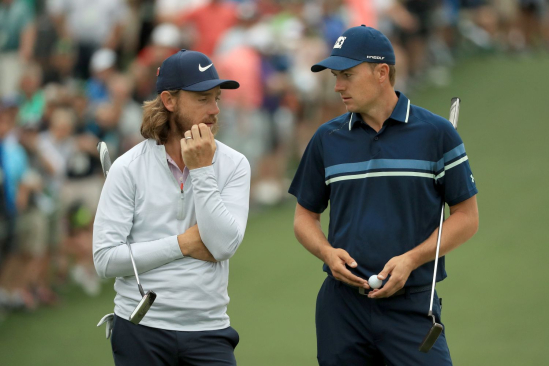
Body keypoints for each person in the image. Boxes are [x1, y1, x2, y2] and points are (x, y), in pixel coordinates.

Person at [289, 25, 479, 365]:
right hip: (342, 309)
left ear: (382, 73)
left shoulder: (437, 134)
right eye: (335, 76)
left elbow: (466, 217)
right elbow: (304, 217)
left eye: (347, 74)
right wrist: (327, 253)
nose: (338, 86)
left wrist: (411, 260)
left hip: (412, 306)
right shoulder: (326, 139)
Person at [93, 49, 251, 366]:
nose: (215, 109)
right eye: (203, 98)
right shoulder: (128, 168)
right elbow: (106, 260)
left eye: (217, 98)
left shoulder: (234, 164)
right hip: (140, 328)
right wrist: (184, 244)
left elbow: (221, 246)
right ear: (169, 100)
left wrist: (203, 170)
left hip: (208, 329)